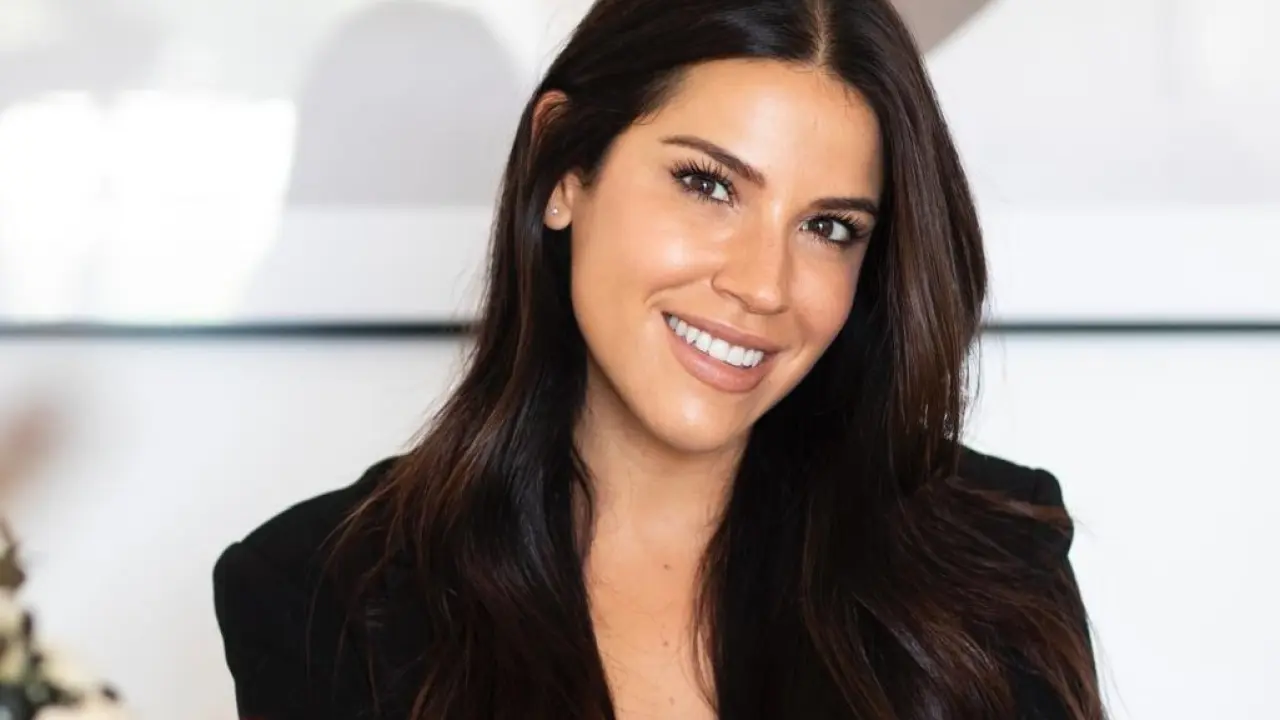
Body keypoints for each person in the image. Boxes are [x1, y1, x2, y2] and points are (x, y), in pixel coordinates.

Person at [212, 0, 1106, 717]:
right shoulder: (319, 596)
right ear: (563, 167)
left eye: (830, 228)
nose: (763, 285)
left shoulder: (990, 564)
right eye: (708, 184)